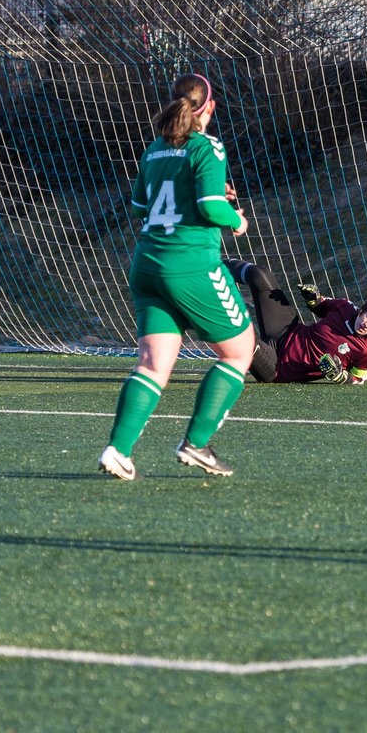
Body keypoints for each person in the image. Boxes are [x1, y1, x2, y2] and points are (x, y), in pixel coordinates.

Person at [98, 73, 255, 481]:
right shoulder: (209, 146)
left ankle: (118, 450)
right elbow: (209, 208)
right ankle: (196, 444)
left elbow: (140, 207)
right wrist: (235, 217)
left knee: (152, 366)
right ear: (210, 108)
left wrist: (208, 195)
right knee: (240, 351)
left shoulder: (154, 150)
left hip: (146, 265)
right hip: (190, 266)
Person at [221, 258, 367, 384]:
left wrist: (341, 377)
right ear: (363, 309)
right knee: (260, 275)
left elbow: (358, 379)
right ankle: (204, 264)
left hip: (278, 367)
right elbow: (319, 306)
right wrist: (312, 296)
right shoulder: (345, 308)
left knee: (242, 335)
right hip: (286, 331)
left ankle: (199, 306)